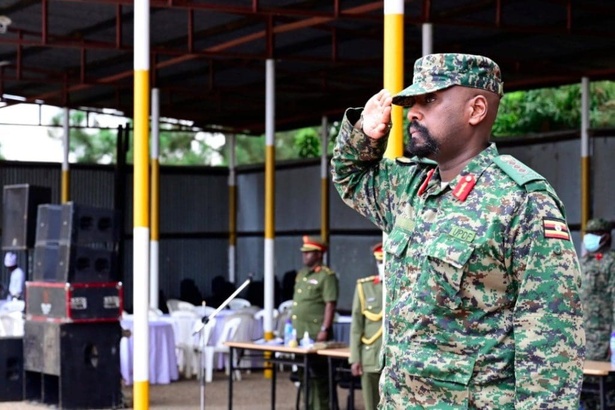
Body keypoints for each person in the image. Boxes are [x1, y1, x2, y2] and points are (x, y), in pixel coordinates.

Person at [331, 53, 585, 408]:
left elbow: (551, 342)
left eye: (429, 100)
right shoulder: (410, 188)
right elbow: (349, 177)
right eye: (412, 102)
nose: (413, 112)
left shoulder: (521, 202)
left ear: (476, 109)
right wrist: (364, 134)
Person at [291, 235, 338, 410]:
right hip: (300, 333)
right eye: (304, 252)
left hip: (316, 333)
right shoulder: (302, 275)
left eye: (309, 252)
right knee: (304, 377)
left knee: (320, 378)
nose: (305, 256)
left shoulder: (326, 276)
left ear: (319, 254)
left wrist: (325, 328)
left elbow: (330, 304)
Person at [579, 218, 615, 409]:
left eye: (594, 234)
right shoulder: (583, 262)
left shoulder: (611, 263)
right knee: (584, 389)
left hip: (603, 337)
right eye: (588, 233)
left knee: (605, 391)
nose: (589, 238)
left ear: (606, 237)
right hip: (583, 336)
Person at [349, 242, 384, 410]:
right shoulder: (365, 287)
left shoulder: (405, 288)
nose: (383, 266)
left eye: (386, 261)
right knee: (371, 404)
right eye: (380, 262)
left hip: (395, 359)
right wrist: (355, 358)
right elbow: (356, 325)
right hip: (371, 355)